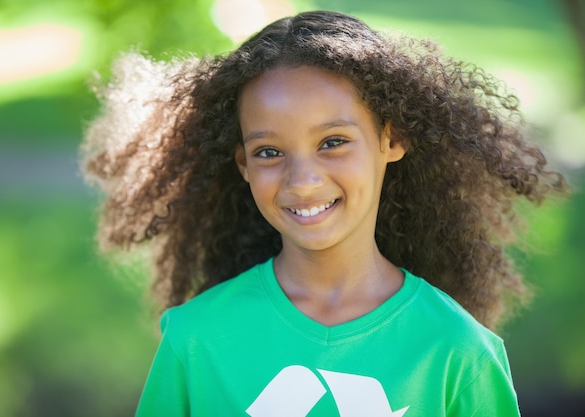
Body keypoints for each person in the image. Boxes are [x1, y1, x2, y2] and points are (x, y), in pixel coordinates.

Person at [81, 10, 567, 416]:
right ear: (243, 165)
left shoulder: (456, 352)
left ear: (391, 140)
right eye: (270, 152)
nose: (302, 180)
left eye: (333, 142)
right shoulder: (196, 339)